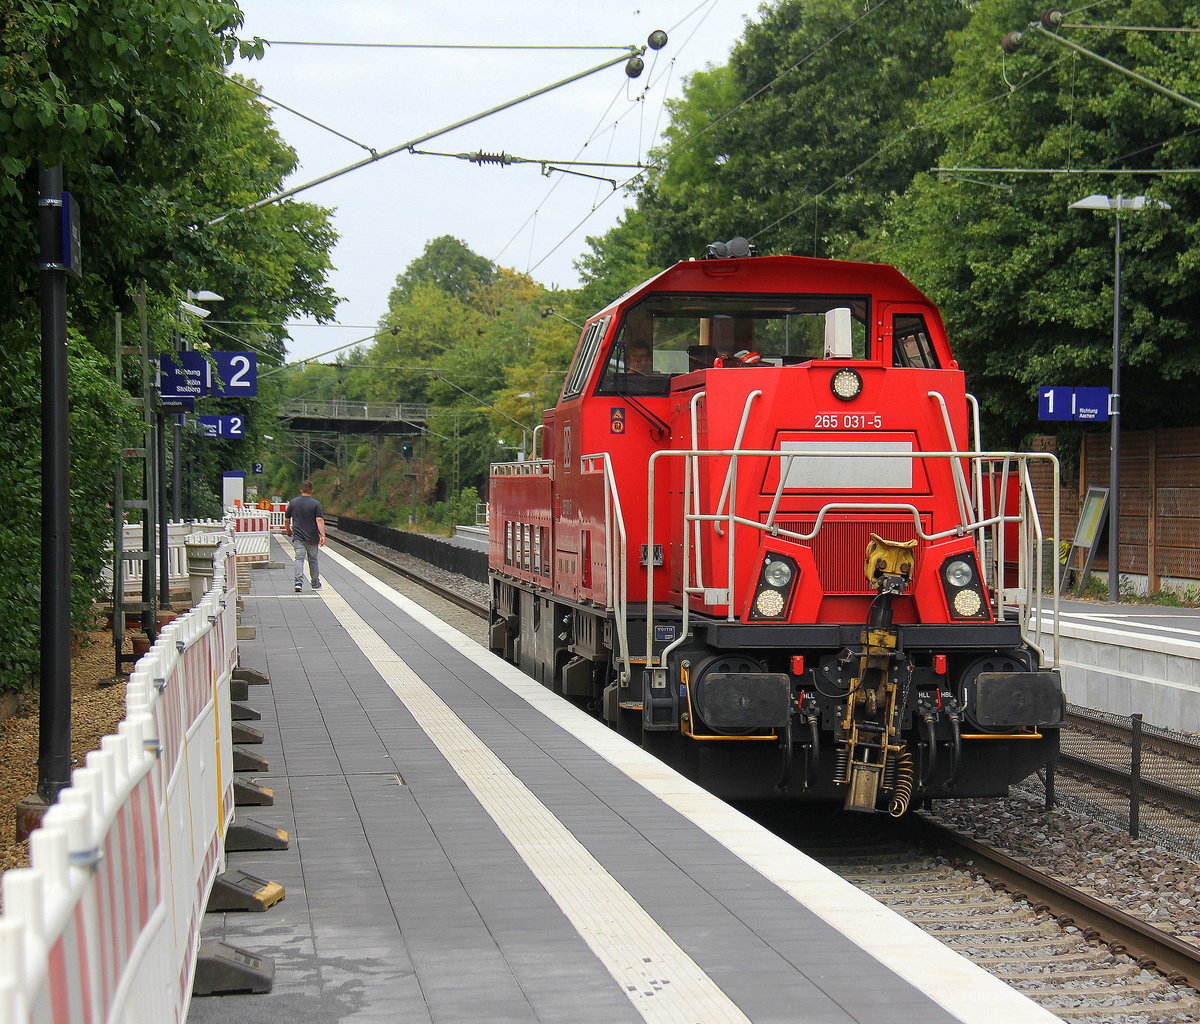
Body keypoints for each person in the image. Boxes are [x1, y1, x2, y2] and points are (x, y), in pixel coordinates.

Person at [285, 480, 326, 593]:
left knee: (299, 559)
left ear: (300, 490)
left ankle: (298, 583)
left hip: (298, 537)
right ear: (311, 491)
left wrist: (288, 530)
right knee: (313, 560)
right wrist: (323, 535)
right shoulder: (316, 504)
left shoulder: (293, 502)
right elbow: (319, 520)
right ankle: (315, 583)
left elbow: (287, 519)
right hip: (312, 537)